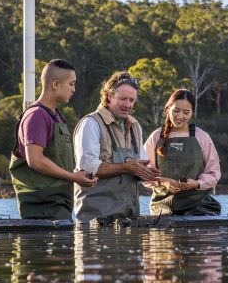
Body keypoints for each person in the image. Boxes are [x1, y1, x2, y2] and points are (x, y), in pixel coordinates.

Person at [10, 59, 96, 220]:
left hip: (58, 204)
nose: (74, 89)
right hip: (41, 208)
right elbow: (35, 160)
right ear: (56, 84)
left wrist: (79, 175)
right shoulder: (36, 116)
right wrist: (73, 177)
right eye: (71, 84)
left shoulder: (56, 116)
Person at [73, 71, 160, 223]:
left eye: (132, 100)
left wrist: (147, 173)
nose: (128, 104)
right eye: (123, 99)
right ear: (109, 97)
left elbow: (140, 163)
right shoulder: (90, 123)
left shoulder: (135, 126)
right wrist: (127, 167)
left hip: (129, 218)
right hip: (95, 221)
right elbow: (88, 167)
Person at [144, 89, 221, 216]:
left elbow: (214, 173)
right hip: (163, 204)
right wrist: (163, 181)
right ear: (168, 108)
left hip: (198, 203)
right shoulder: (156, 137)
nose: (180, 116)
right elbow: (143, 173)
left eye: (186, 112)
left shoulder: (202, 137)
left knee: (194, 216)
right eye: (176, 110)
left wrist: (196, 183)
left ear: (192, 113)